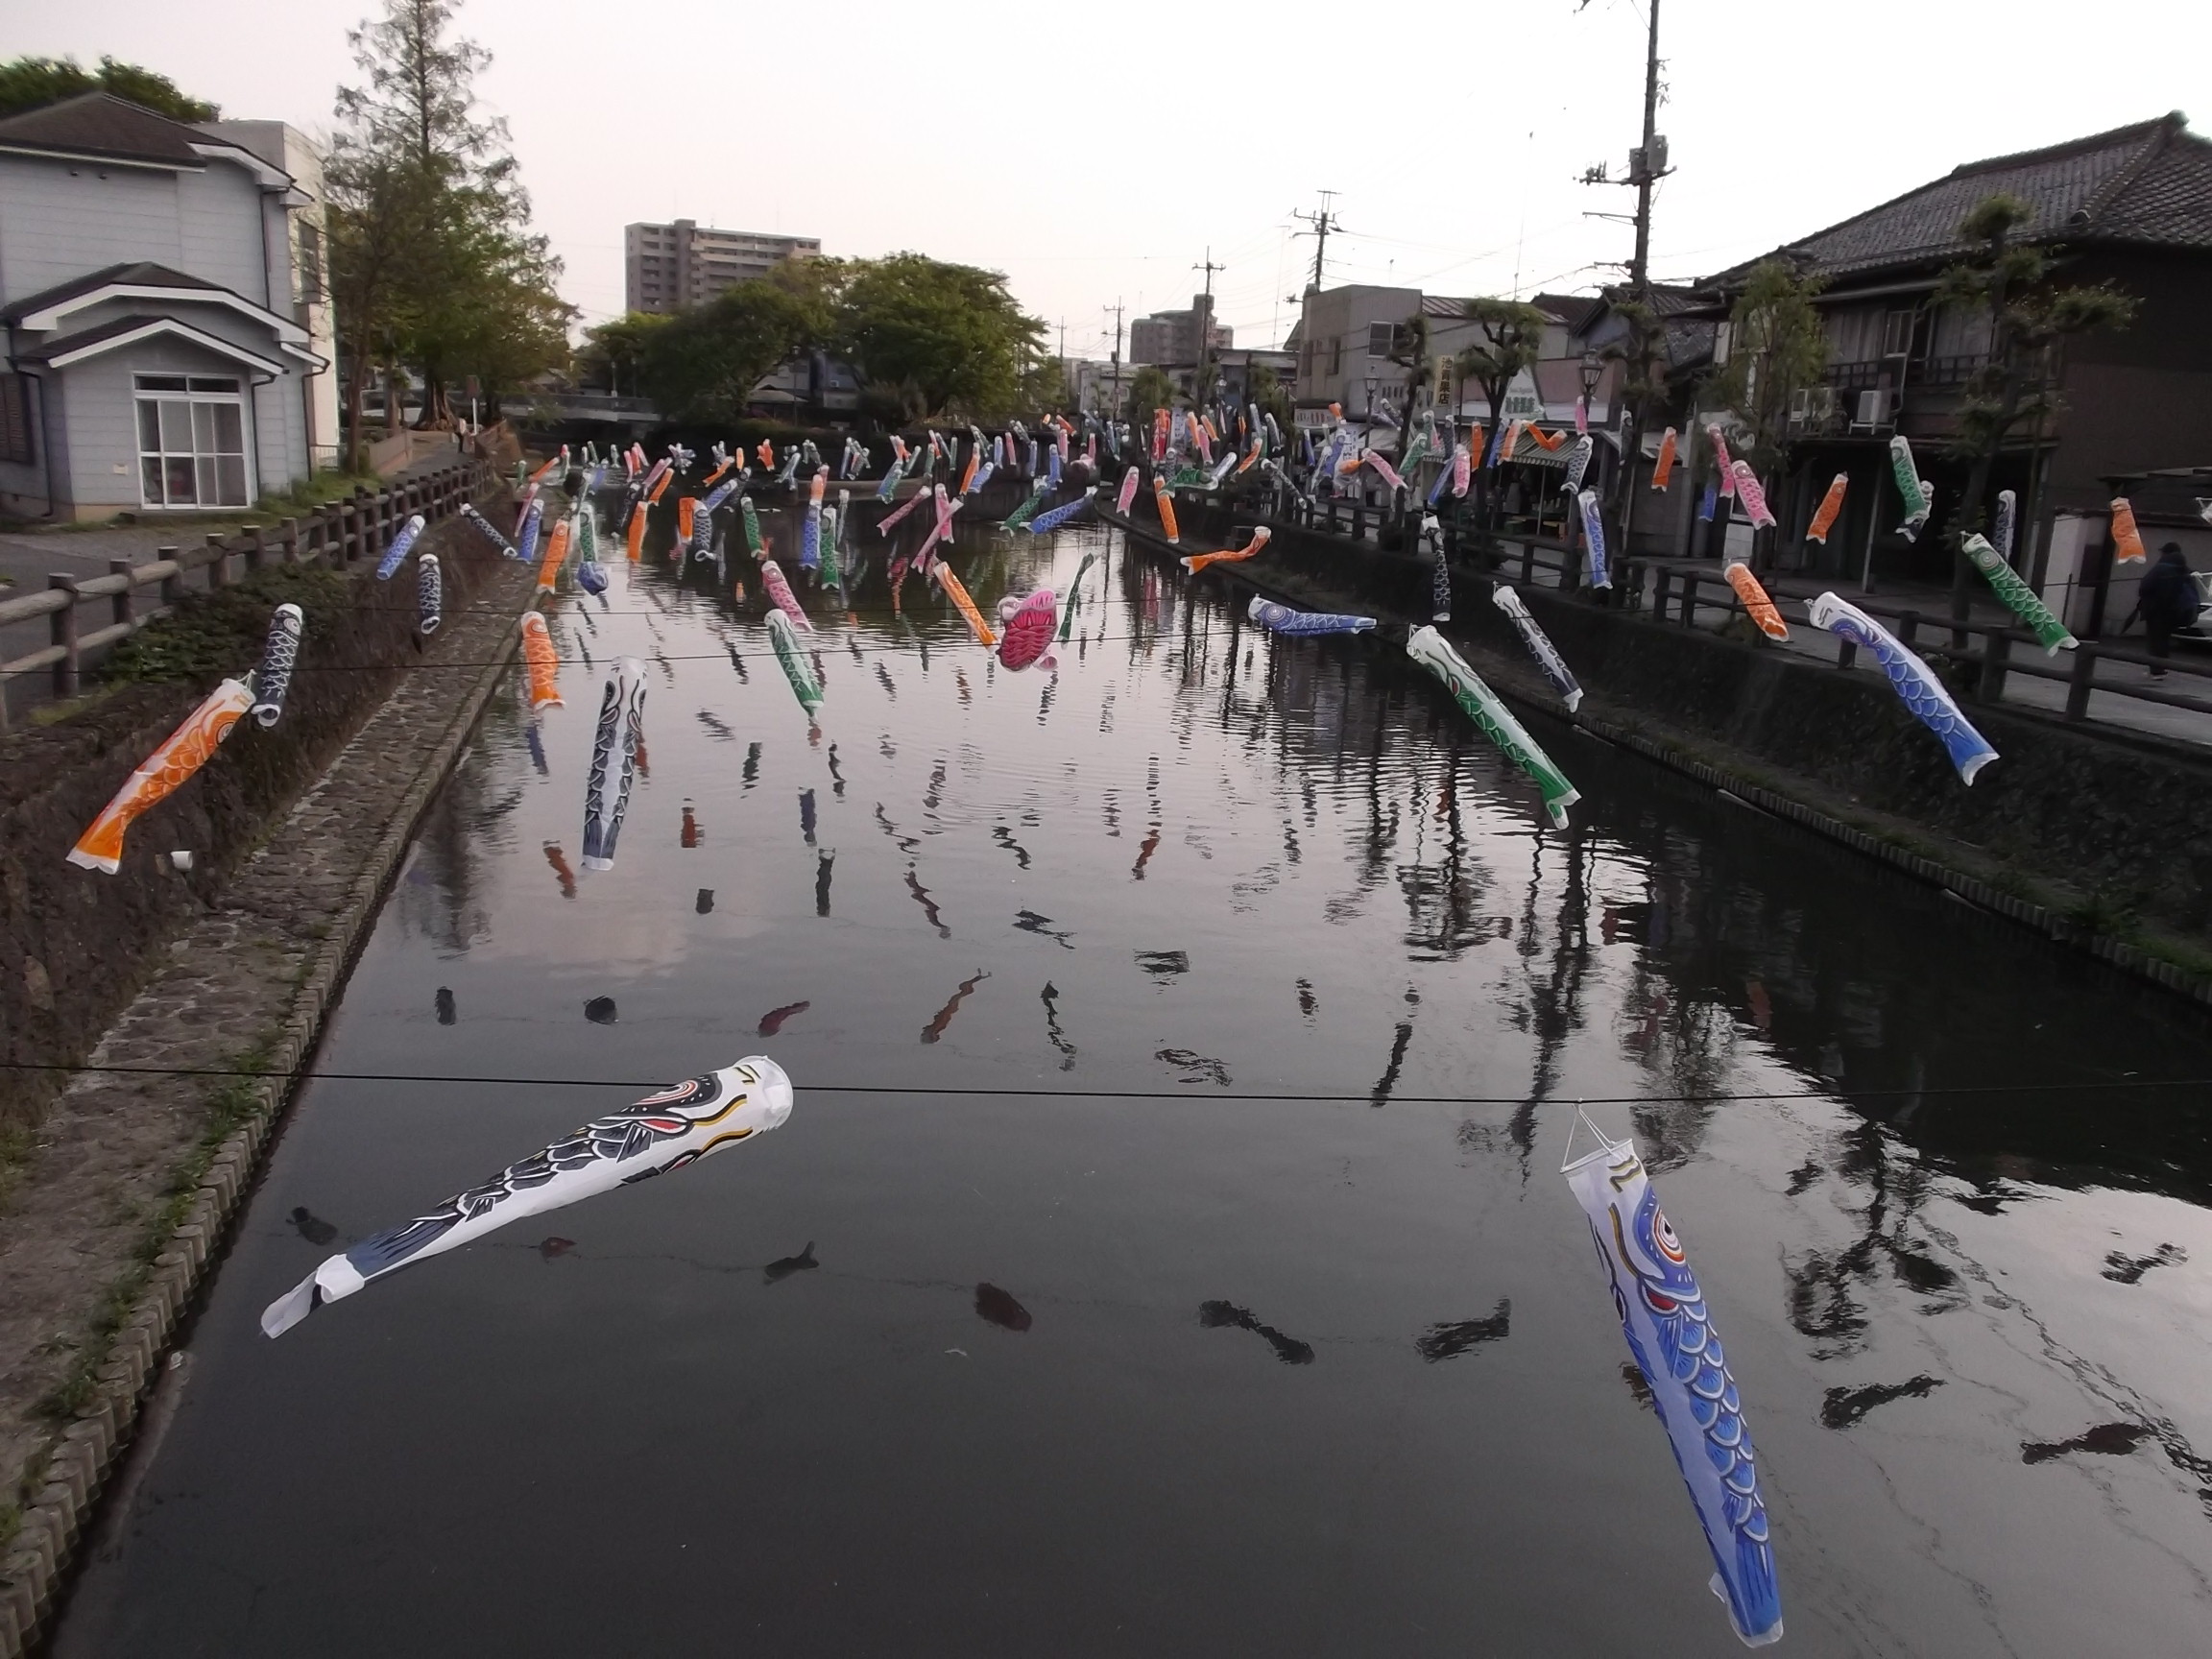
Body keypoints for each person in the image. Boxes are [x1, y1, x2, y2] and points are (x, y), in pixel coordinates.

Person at [2136, 542, 2201, 679]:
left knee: (2155, 641)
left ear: (2165, 553)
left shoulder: (2160, 569)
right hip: (2175, 612)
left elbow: (2144, 588)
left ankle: (2156, 670)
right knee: (2164, 640)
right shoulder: (2184, 570)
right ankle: (2162, 668)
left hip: (2156, 610)